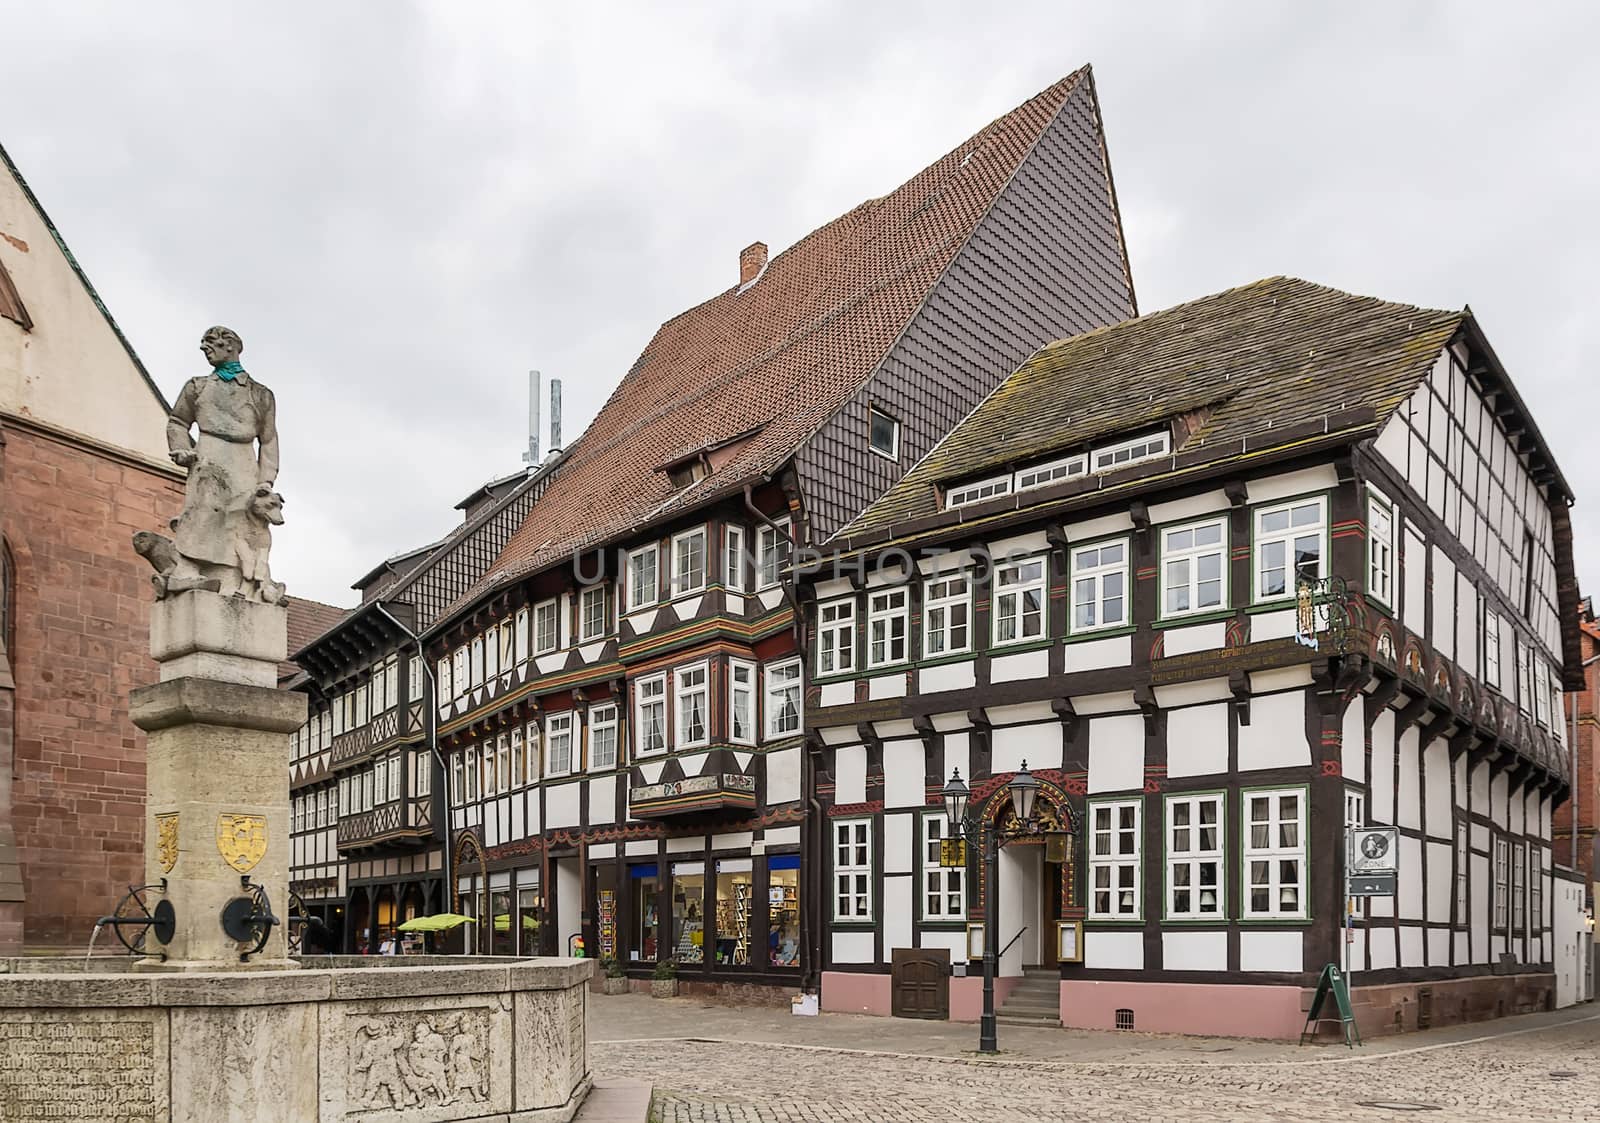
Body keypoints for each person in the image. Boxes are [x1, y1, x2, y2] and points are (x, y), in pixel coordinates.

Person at [164, 326, 280, 591]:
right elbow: (177, 422)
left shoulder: (261, 394)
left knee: (241, 520)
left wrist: (266, 481)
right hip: (208, 454)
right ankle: (188, 567)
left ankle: (238, 578)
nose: (205, 351)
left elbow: (269, 439)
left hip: (244, 461)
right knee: (201, 512)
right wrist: (182, 448)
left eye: (211, 345)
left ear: (231, 346)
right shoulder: (198, 386)